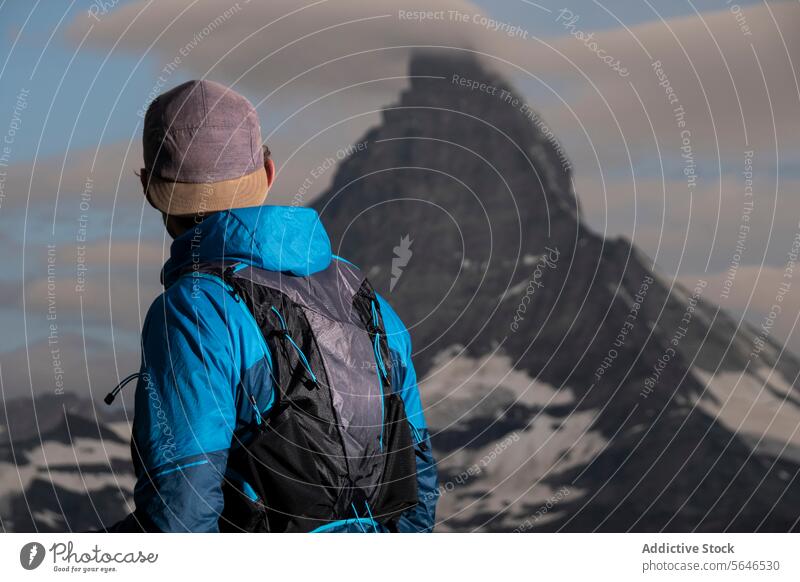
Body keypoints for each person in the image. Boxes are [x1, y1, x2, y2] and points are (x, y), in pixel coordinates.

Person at [108, 80, 437, 532]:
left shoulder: (193, 311)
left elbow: (180, 508)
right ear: (268, 170)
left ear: (149, 187)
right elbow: (417, 484)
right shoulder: (364, 297)